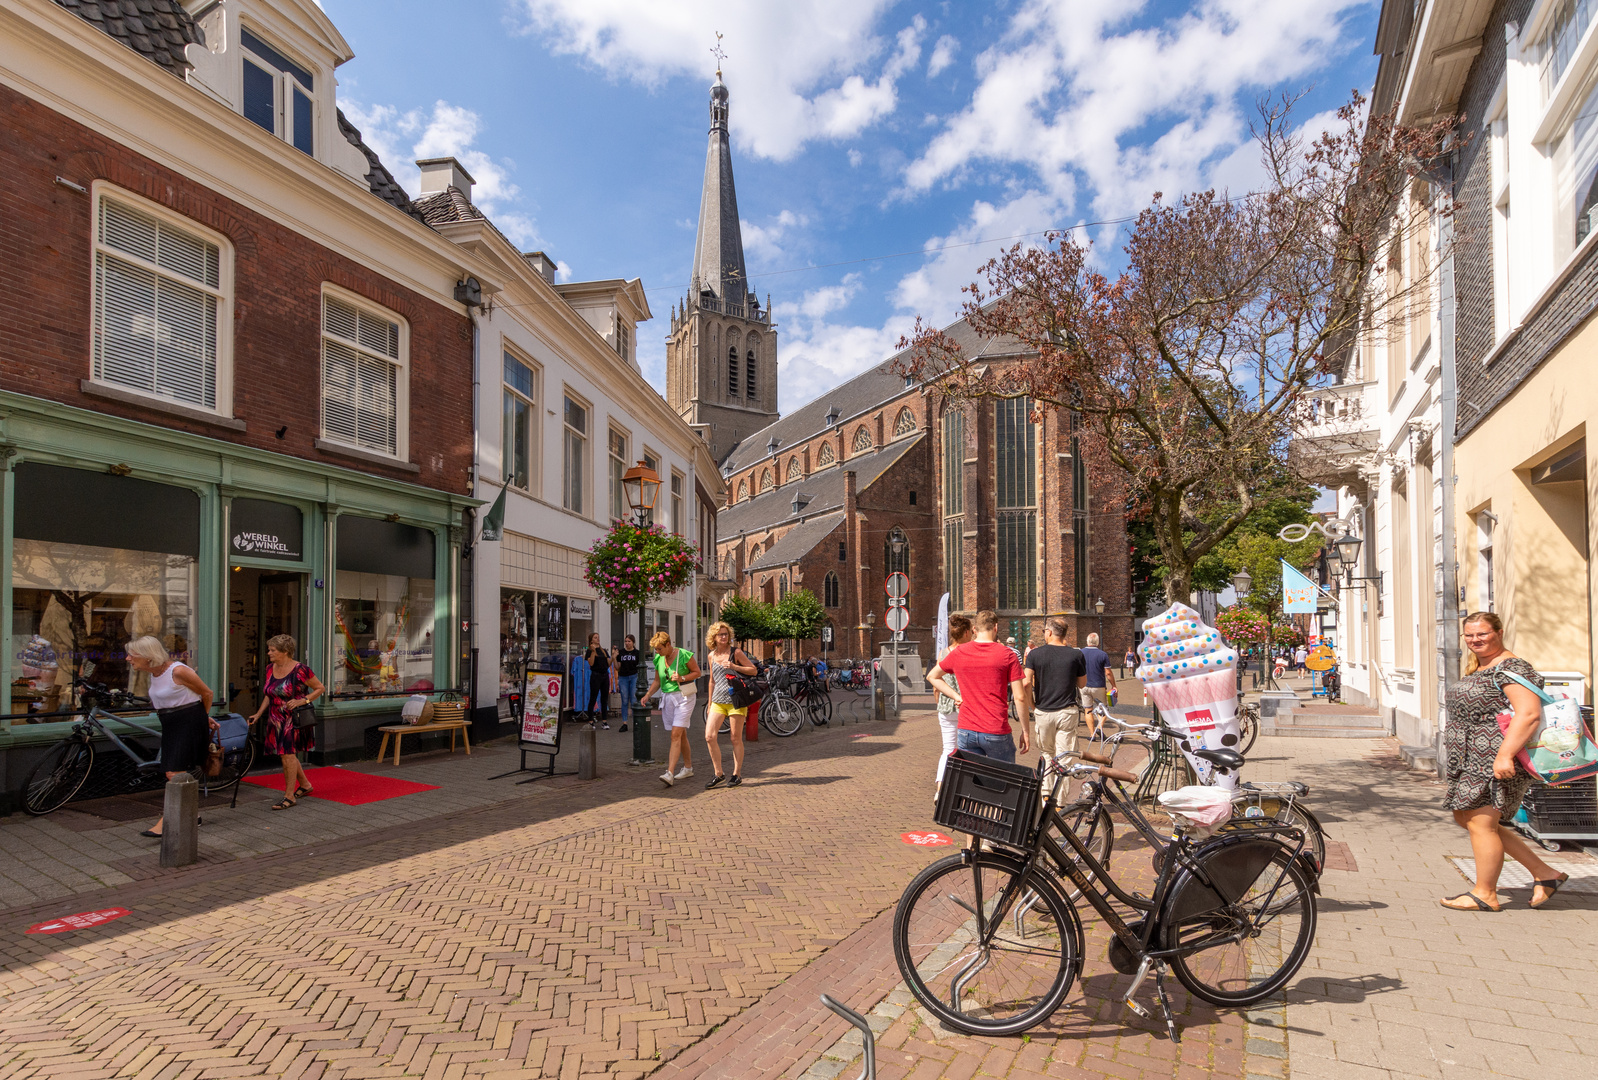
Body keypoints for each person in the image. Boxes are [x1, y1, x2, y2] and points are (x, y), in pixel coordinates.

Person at [1440, 612, 1568, 911]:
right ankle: (1546, 874)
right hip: (1470, 758)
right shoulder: (1483, 666)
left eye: (1482, 634)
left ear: (1499, 632)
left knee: (1482, 822)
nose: (1475, 640)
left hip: (1492, 759)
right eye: (1469, 635)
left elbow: (1529, 714)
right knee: (1467, 818)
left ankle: (1485, 893)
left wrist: (1505, 755)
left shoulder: (1511, 668)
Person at [126, 636, 217, 839]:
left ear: (148, 656)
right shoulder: (154, 672)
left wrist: (204, 718)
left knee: (173, 772)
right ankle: (192, 815)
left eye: (132, 654)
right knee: (173, 771)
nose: (127, 658)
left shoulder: (178, 670)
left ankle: (169, 818)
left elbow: (207, 693)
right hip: (171, 724)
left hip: (189, 722)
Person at [928, 610, 1030, 764]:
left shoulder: (959, 652)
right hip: (995, 729)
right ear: (996, 627)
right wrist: (1025, 731)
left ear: (974, 630)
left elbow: (932, 676)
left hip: (966, 729)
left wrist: (956, 696)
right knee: (1002, 781)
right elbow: (1020, 697)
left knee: (971, 782)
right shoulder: (1008, 655)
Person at [251, 634, 325, 811]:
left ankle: (289, 796)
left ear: (285, 652)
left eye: (272, 650)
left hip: (293, 718)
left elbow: (320, 688)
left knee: (287, 755)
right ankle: (305, 785)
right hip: (275, 718)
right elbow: (270, 694)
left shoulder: (301, 669)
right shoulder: (270, 668)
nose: (269, 652)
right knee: (287, 754)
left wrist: (303, 700)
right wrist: (258, 714)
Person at [1024, 618, 1087, 801]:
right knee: (1064, 757)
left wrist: (1032, 705)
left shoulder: (1035, 655)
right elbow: (1082, 684)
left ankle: (1045, 794)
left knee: (1046, 753)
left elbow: (1026, 682)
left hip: (1044, 711)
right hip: (1067, 711)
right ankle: (1059, 802)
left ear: (1049, 632)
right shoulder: (1076, 655)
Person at [704, 621, 756, 789]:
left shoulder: (736, 652)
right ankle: (718, 773)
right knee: (709, 736)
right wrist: (710, 702)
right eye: (721, 634)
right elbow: (711, 681)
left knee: (735, 738)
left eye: (726, 634)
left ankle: (737, 774)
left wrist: (734, 666)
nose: (724, 637)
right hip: (718, 700)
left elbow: (753, 670)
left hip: (736, 700)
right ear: (714, 637)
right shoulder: (711, 655)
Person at [645, 630, 700, 786]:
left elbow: (697, 672)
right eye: (655, 649)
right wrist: (647, 695)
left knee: (675, 734)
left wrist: (682, 677)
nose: (657, 652)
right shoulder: (659, 659)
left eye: (660, 649)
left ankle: (669, 773)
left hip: (685, 697)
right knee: (681, 734)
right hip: (668, 698)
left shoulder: (684, 655)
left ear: (668, 645)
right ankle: (688, 768)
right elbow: (657, 681)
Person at [932, 615, 973, 793]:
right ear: (966, 633)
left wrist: (940, 704)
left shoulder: (943, 653)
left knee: (947, 749)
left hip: (946, 708)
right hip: (967, 707)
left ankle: (940, 789)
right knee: (968, 751)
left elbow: (936, 685)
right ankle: (962, 789)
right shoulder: (970, 653)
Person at [1079, 633, 1117, 739]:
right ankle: (1099, 728)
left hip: (1084, 685)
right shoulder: (1102, 654)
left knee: (1088, 710)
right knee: (1103, 709)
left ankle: (1092, 734)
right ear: (1097, 642)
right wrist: (1114, 685)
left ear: (1087, 641)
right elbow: (1108, 673)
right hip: (1098, 685)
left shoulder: (1080, 653)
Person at [584, 633, 611, 729]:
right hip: (596, 675)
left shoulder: (603, 650)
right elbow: (591, 663)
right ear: (591, 640)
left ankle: (604, 721)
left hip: (605, 675)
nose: (598, 639)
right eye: (595, 638)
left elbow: (608, 663)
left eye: (598, 637)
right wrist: (593, 651)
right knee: (593, 697)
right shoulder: (590, 651)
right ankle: (591, 721)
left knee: (604, 699)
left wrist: (614, 656)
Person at [613, 635, 640, 732]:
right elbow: (617, 667)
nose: (627, 643)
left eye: (629, 641)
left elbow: (639, 667)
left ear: (633, 642)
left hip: (634, 677)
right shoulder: (621, 652)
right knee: (624, 700)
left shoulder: (637, 653)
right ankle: (625, 723)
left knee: (633, 700)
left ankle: (636, 723)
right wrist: (614, 658)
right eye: (626, 641)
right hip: (623, 677)